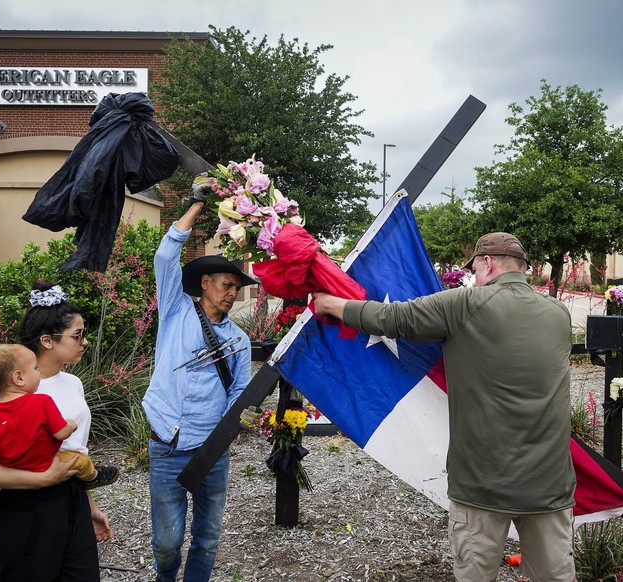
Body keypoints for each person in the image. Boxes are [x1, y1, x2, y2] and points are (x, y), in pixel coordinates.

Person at [312, 232, 577, 582]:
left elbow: (391, 318)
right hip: (549, 484)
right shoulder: (557, 313)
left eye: (475, 268)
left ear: (487, 263)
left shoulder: (465, 304)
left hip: (483, 486)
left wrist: (329, 304)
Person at [0, 282, 114, 581]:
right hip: (25, 511)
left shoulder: (72, 383)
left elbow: (73, 454)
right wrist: (40, 478)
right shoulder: (4, 397)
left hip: (71, 504)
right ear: (47, 341)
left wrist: (90, 507)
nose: (85, 341)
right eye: (77, 335)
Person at [143, 198, 255, 582]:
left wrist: (241, 421)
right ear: (205, 283)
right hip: (167, 444)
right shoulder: (175, 310)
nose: (231, 294)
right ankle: (165, 577)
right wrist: (197, 206)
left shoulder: (239, 341)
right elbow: (164, 257)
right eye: (226, 285)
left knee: (207, 538)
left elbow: (239, 394)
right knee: (167, 542)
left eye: (237, 289)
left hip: (212, 451)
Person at [0, 343, 117, 490]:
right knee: (80, 459)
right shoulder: (41, 402)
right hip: (45, 464)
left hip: (11, 470)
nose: (38, 372)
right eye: (35, 368)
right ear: (19, 378)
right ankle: (93, 477)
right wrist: (71, 425)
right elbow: (61, 433)